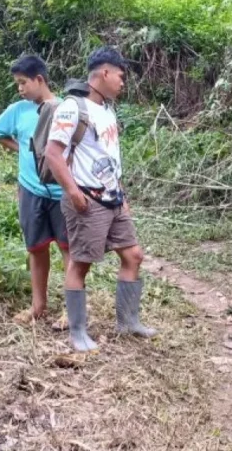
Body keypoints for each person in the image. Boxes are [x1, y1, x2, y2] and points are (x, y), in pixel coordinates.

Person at [45, 47, 156, 352]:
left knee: (133, 255)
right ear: (104, 73)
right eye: (121, 76)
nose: (123, 83)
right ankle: (78, 332)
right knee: (81, 264)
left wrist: (121, 193)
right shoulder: (72, 108)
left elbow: (108, 157)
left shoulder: (107, 109)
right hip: (86, 199)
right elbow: (53, 154)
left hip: (112, 198)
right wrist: (73, 192)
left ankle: (128, 322)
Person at [0, 55, 69, 324]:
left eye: (23, 83)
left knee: (68, 249)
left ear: (40, 79)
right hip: (30, 191)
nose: (20, 89)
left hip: (61, 193)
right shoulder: (18, 110)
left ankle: (72, 309)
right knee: (36, 248)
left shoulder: (64, 109)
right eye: (17, 84)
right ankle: (38, 307)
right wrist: (22, 149)